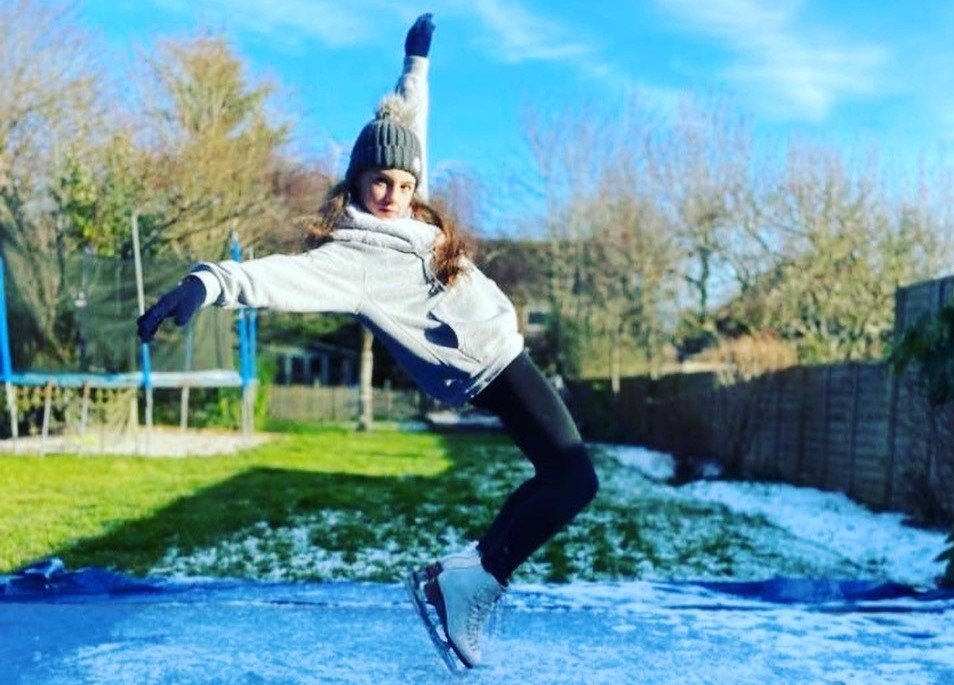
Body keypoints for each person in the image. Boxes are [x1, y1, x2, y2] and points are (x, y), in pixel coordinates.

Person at [136, 14, 598, 669]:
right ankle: (471, 578)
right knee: (575, 478)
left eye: (405, 185)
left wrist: (417, 63)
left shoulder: (412, 212)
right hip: (487, 368)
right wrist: (205, 284)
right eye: (380, 181)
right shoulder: (349, 255)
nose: (394, 195)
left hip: (501, 353)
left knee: (567, 476)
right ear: (355, 181)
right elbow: (273, 278)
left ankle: (470, 576)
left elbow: (410, 121)